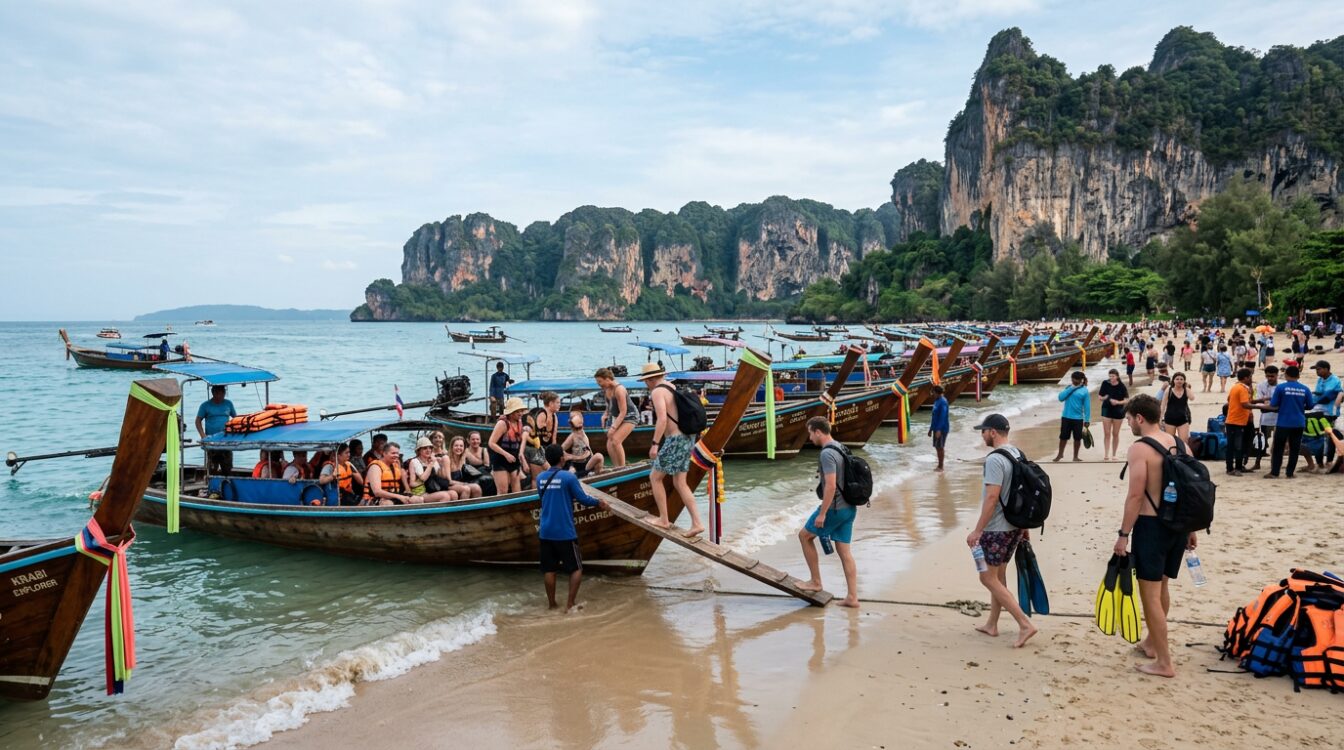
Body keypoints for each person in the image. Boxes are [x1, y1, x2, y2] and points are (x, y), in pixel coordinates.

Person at [1116, 394, 1196, 678]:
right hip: (1178, 525)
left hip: (1151, 526)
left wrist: (1123, 535)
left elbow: (1136, 495)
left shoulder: (1140, 448)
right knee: (1161, 588)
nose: (1128, 425)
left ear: (1139, 418)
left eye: (1128, 420)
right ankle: (1152, 643)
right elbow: (1190, 489)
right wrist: (1192, 529)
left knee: (1148, 595)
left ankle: (1164, 662)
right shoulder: (1181, 444)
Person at [965, 413, 1037, 648]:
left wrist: (977, 530)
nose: (982, 435)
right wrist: (1024, 526)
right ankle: (992, 624)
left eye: (983, 431)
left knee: (987, 577)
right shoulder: (1017, 453)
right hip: (1014, 525)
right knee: (999, 576)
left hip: (997, 528)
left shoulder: (995, 459)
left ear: (993, 432)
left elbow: (992, 497)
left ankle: (1025, 624)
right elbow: (1024, 492)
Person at [535, 443, 608, 613]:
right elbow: (583, 498)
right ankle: (570, 604)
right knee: (576, 568)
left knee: (549, 569)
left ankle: (552, 604)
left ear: (547, 459)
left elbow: (543, 497)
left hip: (546, 531)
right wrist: (599, 502)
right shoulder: (568, 478)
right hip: (564, 531)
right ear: (562, 458)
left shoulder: (540, 478)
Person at [797, 417, 860, 609]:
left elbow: (831, 486)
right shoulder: (840, 447)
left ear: (818, 432)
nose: (809, 437)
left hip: (835, 508)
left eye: (810, 433)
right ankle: (852, 597)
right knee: (844, 552)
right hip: (849, 508)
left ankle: (815, 582)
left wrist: (822, 514)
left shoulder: (826, 454)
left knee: (805, 536)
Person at [641, 363, 706, 535]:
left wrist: (655, 444)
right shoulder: (671, 387)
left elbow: (662, 419)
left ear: (651, 379)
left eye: (646, 381)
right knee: (679, 482)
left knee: (654, 477)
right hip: (687, 437)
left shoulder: (657, 392)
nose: (646, 384)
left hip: (676, 439)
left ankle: (663, 519)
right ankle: (697, 523)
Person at [1261, 365, 1313, 479]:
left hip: (1283, 422)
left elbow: (1274, 404)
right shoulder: (1305, 389)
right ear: (1298, 376)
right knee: (1294, 449)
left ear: (1286, 375)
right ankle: (1290, 473)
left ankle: (1275, 472)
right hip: (1299, 422)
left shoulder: (1281, 388)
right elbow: (1310, 405)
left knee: (1278, 449)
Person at [595, 367, 638, 468]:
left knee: (616, 440)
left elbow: (623, 412)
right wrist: (605, 414)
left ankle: (622, 468)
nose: (599, 384)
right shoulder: (607, 390)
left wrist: (613, 427)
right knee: (609, 443)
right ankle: (616, 467)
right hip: (616, 416)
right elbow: (609, 406)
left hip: (630, 416)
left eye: (600, 382)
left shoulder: (619, 389)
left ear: (607, 379)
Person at [488, 397, 528, 495]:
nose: (520, 414)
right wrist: (506, 455)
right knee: (503, 491)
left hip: (514, 460)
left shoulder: (519, 422)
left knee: (517, 491)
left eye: (521, 411)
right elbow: (491, 443)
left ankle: (517, 510)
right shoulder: (502, 423)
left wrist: (522, 458)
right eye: (517, 411)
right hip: (500, 459)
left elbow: (519, 441)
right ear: (511, 412)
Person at [195, 385, 237, 476]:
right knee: (212, 467)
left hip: (226, 440)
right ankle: (211, 484)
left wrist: (235, 433)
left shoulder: (228, 404)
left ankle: (227, 483)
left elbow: (236, 419)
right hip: (211, 440)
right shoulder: (205, 405)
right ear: (213, 393)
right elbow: (198, 421)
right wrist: (203, 436)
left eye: (222, 394)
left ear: (224, 393)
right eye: (217, 393)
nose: (219, 396)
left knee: (227, 466)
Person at [1053, 371, 1091, 463]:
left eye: (1076, 379)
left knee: (1077, 438)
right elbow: (1060, 398)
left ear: (1081, 380)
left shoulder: (1084, 390)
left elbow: (1087, 406)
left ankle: (1075, 456)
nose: (1074, 380)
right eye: (1072, 378)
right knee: (1063, 437)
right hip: (1066, 417)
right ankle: (1060, 454)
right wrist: (1072, 388)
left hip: (1078, 419)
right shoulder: (1069, 388)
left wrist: (1087, 419)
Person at [407, 436, 458, 502]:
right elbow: (423, 478)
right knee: (445, 496)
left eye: (430, 448)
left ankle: (452, 512)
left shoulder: (431, 459)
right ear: (419, 450)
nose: (428, 450)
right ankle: (441, 512)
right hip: (421, 492)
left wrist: (442, 464)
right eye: (425, 448)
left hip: (432, 489)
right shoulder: (415, 461)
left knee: (454, 494)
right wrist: (431, 464)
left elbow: (442, 476)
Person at [1224, 369, 1255, 476]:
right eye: (1250, 377)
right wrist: (1260, 406)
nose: (1251, 379)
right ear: (1245, 378)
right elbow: (1245, 404)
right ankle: (1233, 468)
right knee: (1236, 446)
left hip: (1237, 420)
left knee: (1236, 445)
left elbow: (1230, 400)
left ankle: (1236, 467)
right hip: (1236, 421)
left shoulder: (1236, 387)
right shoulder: (1242, 389)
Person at [1251, 365, 1279, 471]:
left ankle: (1274, 464)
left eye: (1272, 376)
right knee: (1262, 442)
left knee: (1278, 442)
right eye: (1268, 376)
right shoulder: (1261, 385)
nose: (1270, 378)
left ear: (1277, 375)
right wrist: (1271, 401)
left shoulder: (1282, 385)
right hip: (1265, 418)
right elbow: (1257, 400)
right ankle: (1257, 463)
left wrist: (1267, 400)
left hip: (1279, 418)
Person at [561, 409, 604, 476]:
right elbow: (561, 449)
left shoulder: (583, 435)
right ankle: (588, 474)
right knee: (571, 471)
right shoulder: (572, 436)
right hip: (576, 465)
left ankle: (595, 473)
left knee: (599, 456)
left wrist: (571, 457)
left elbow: (588, 453)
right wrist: (568, 458)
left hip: (586, 464)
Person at [1098, 369, 1128, 461]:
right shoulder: (1105, 383)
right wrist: (1105, 398)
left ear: (1117, 376)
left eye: (1113, 376)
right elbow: (1100, 397)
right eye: (1110, 376)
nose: (1111, 378)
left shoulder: (1122, 386)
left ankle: (1114, 454)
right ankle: (1106, 454)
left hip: (1118, 410)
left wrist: (1118, 402)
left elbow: (1126, 400)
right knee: (1106, 433)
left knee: (1115, 433)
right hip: (1106, 409)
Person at [1159, 372, 1194, 442]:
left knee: (1184, 442)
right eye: (1177, 379)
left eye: (1181, 379)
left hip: (1183, 419)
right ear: (1173, 381)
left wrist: (1187, 388)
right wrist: (1160, 418)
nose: (1179, 381)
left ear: (1184, 381)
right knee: (1170, 441)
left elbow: (1192, 398)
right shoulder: (1169, 390)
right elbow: (1163, 405)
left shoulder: (1186, 390)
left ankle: (1183, 453)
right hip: (1169, 419)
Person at [928, 384, 949, 472]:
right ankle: (939, 464)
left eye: (933, 393)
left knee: (940, 447)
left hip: (942, 428)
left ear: (937, 393)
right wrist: (930, 429)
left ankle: (941, 466)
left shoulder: (943, 402)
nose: (932, 394)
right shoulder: (936, 401)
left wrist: (939, 430)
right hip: (935, 428)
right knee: (937, 446)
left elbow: (943, 416)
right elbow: (934, 417)